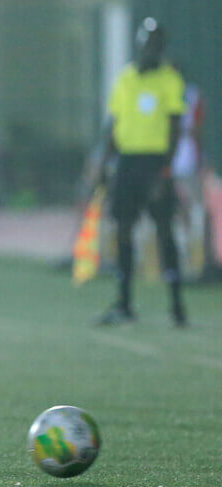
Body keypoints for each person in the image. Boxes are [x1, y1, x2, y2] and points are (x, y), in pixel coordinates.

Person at [96, 18, 187, 327]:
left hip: (154, 163)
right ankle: (124, 302)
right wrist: (103, 164)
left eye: (156, 44)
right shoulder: (125, 79)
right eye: (147, 43)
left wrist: (165, 170)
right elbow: (114, 125)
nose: (151, 49)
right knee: (123, 229)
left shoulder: (170, 81)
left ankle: (176, 304)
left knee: (164, 231)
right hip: (127, 163)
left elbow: (176, 128)